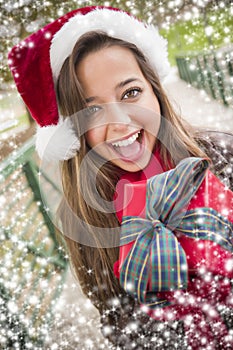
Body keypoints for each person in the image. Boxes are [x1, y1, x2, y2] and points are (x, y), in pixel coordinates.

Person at [8, 6, 233, 349]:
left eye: (130, 93)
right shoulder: (88, 218)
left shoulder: (220, 156)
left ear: (154, 90)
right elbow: (118, 324)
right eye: (93, 110)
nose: (120, 122)